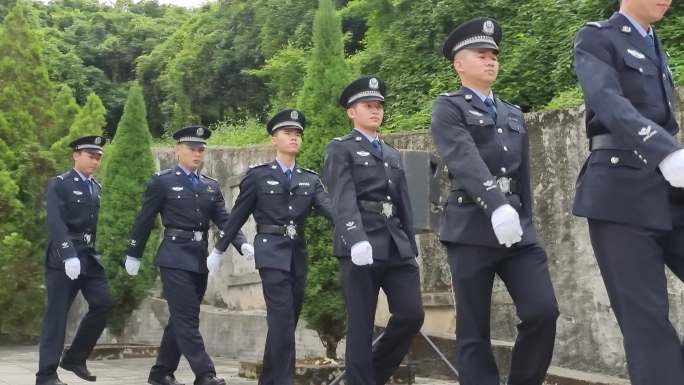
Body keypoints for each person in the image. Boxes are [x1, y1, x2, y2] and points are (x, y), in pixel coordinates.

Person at [429, 17, 559, 385]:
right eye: (481, 54)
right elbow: (463, 158)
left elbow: (524, 176)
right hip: (471, 228)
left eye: (494, 55)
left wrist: (523, 218)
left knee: (543, 311)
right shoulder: (448, 108)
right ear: (459, 63)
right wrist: (496, 203)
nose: (491, 60)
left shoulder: (512, 112)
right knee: (474, 330)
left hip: (516, 230)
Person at [573, 1, 683, 384]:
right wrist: (665, 150)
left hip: (669, 190)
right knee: (647, 322)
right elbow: (608, 101)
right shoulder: (597, 37)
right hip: (620, 192)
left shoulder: (655, 44)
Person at [208, 109, 333, 385]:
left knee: (285, 321)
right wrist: (220, 249)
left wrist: (355, 229)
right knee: (282, 319)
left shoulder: (309, 179)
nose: (294, 138)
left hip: (297, 254)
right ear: (274, 139)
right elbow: (237, 215)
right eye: (288, 133)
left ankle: (269, 379)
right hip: (271, 252)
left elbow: (330, 208)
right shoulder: (258, 176)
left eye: (298, 134)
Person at [124, 126, 253, 385]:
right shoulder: (162, 181)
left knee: (184, 318)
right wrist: (134, 252)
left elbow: (224, 220)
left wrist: (241, 243)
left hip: (198, 258)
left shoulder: (210, 186)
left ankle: (161, 373)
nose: (197, 153)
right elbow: (144, 219)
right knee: (186, 318)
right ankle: (205, 373)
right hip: (173, 256)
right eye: (192, 148)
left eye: (201, 149)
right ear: (178, 150)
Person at [323, 76, 425, 385]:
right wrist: (355, 238)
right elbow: (342, 196)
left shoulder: (391, 153)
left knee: (411, 315)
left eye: (379, 106)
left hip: (395, 244)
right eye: (368, 106)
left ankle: (373, 375)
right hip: (361, 243)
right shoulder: (341, 148)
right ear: (351, 112)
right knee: (361, 325)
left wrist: (411, 246)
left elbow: (403, 202)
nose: (376, 111)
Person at [36, 135, 113, 385]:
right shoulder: (59, 184)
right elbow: (55, 222)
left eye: (98, 157)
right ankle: (46, 375)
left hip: (89, 257)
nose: (95, 160)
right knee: (57, 316)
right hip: (63, 258)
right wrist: (69, 254)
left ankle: (75, 358)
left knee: (103, 303)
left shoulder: (95, 187)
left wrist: (87, 253)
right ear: (76, 155)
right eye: (90, 155)